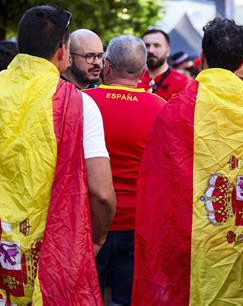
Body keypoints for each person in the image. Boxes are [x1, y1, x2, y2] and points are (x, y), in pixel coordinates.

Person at [0, 5, 116, 305]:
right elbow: (102, 194)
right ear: (62, 51)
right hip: (54, 258)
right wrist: (97, 237)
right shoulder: (80, 106)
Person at [132, 18, 243, 305]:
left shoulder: (179, 107)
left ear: (203, 55)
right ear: (241, 59)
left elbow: (160, 184)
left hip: (196, 238)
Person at [84, 35, 166, 306]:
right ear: (143, 71)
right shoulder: (161, 109)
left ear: (106, 66)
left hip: (90, 223)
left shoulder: (83, 103)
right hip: (138, 226)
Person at [137, 29, 188, 101]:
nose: (151, 50)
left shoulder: (182, 83)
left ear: (168, 51)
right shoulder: (132, 78)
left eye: (157, 45)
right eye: (147, 45)